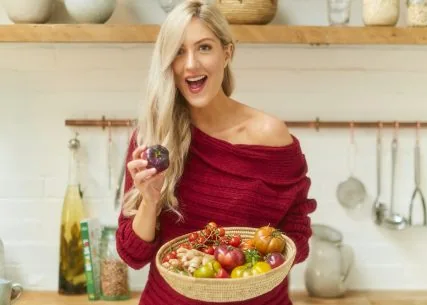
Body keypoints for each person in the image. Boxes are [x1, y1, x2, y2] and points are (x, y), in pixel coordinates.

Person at [115, 1, 317, 304]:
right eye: (179, 52)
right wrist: (150, 200)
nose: (191, 64)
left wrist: (257, 263)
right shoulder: (155, 138)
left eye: (204, 47)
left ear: (228, 53)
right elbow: (133, 255)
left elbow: (297, 233)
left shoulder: (271, 135)